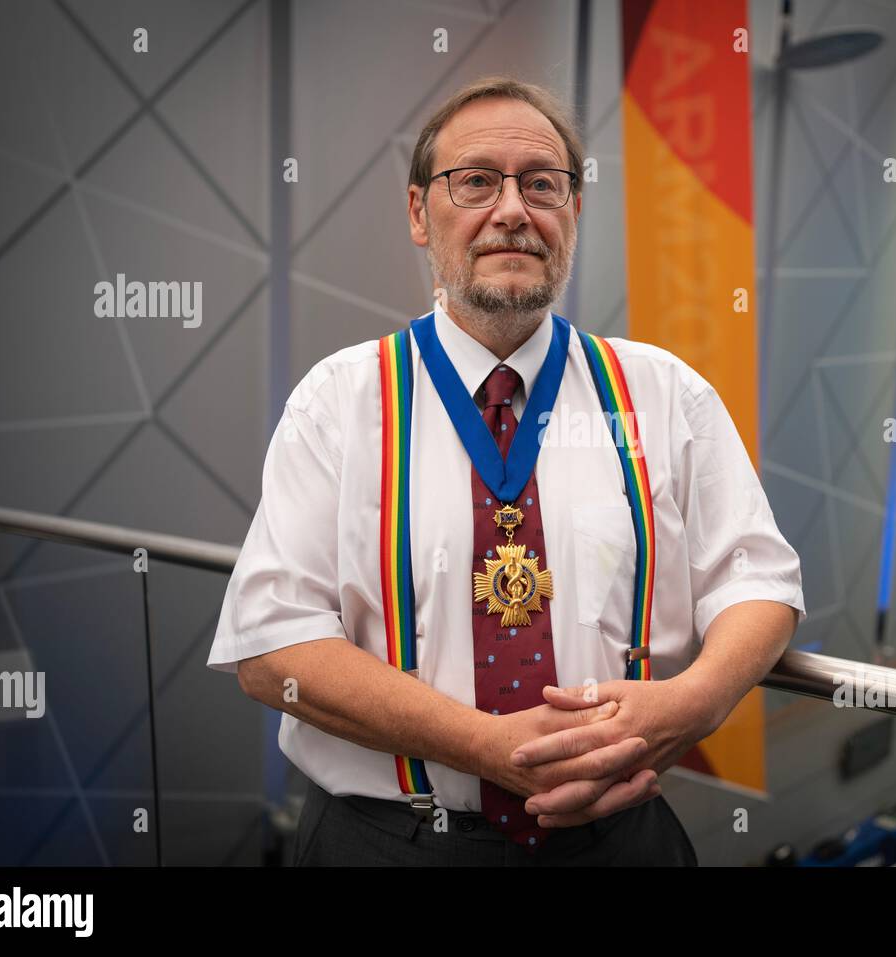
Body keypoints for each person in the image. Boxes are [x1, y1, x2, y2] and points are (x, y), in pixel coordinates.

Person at [206, 75, 806, 866]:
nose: (514, 210)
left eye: (542, 184)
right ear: (420, 212)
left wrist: (689, 704)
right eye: (477, 181)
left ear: (574, 213)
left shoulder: (662, 392)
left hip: (620, 841)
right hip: (392, 844)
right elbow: (271, 644)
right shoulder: (339, 403)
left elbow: (759, 578)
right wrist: (487, 744)